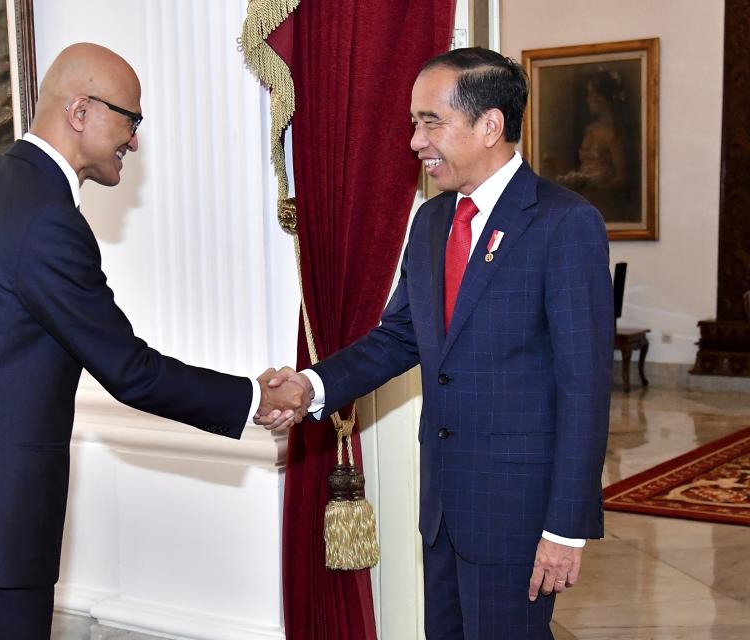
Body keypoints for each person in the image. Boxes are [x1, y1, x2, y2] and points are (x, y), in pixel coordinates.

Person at [0, 43, 309, 640]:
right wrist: (252, 398)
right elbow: (130, 370)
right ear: (80, 112)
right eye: (132, 118)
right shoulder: (46, 218)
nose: (135, 139)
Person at [265, 48, 613, 639]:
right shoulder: (431, 222)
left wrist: (565, 527)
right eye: (413, 123)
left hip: (518, 514)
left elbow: (585, 389)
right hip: (446, 507)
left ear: (489, 126)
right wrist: (312, 386)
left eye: (430, 122)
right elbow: (401, 336)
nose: (414, 141)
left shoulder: (563, 223)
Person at [553, 70, 633, 223]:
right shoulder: (591, 129)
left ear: (603, 98)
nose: (588, 99)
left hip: (606, 206)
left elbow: (623, 179)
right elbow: (586, 170)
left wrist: (595, 186)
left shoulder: (613, 133)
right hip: (584, 205)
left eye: (591, 94)